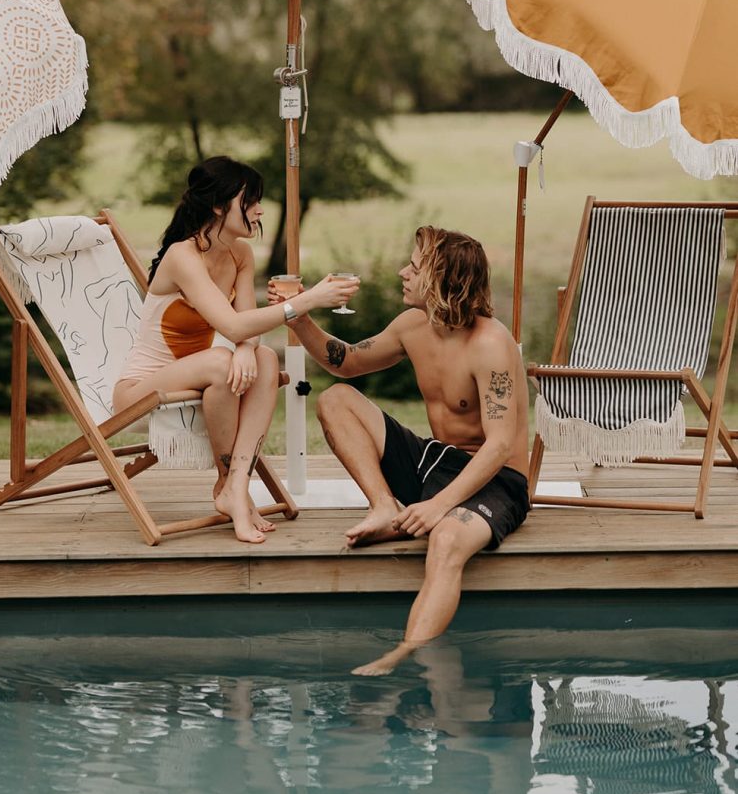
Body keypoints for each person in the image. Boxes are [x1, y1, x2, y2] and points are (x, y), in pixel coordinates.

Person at [269, 226, 529, 674]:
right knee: (336, 400)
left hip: (495, 481)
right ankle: (384, 506)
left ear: (443, 277)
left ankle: (407, 653)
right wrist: (298, 315)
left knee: (446, 539)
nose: (402, 272)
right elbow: (346, 362)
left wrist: (439, 507)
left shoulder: (491, 343)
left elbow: (500, 444)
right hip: (436, 464)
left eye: (414, 265)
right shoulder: (413, 326)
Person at [113, 156, 359, 545]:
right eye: (251, 200)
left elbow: (246, 326)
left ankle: (235, 484)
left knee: (262, 359)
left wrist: (247, 349)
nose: (261, 209)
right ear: (217, 205)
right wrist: (309, 299)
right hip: (139, 390)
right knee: (221, 361)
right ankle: (230, 485)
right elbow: (231, 326)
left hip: (199, 375)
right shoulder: (183, 256)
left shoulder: (240, 254)